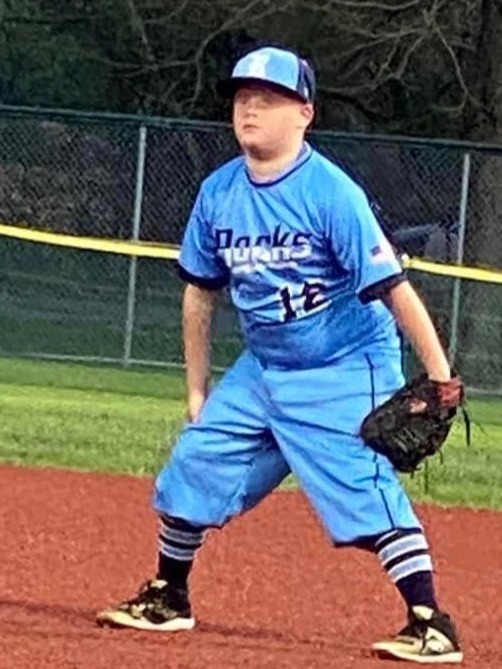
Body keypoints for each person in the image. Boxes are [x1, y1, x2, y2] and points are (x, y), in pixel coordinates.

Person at [96, 44, 464, 664]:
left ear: (305, 114)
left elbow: (394, 289)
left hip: (345, 363)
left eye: (268, 100)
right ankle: (168, 596)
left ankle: (432, 622)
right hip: (264, 367)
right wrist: (197, 390)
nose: (249, 110)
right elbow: (199, 293)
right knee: (197, 462)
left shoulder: (331, 193)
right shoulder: (219, 192)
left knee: (362, 485)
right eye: (243, 98)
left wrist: (440, 376)